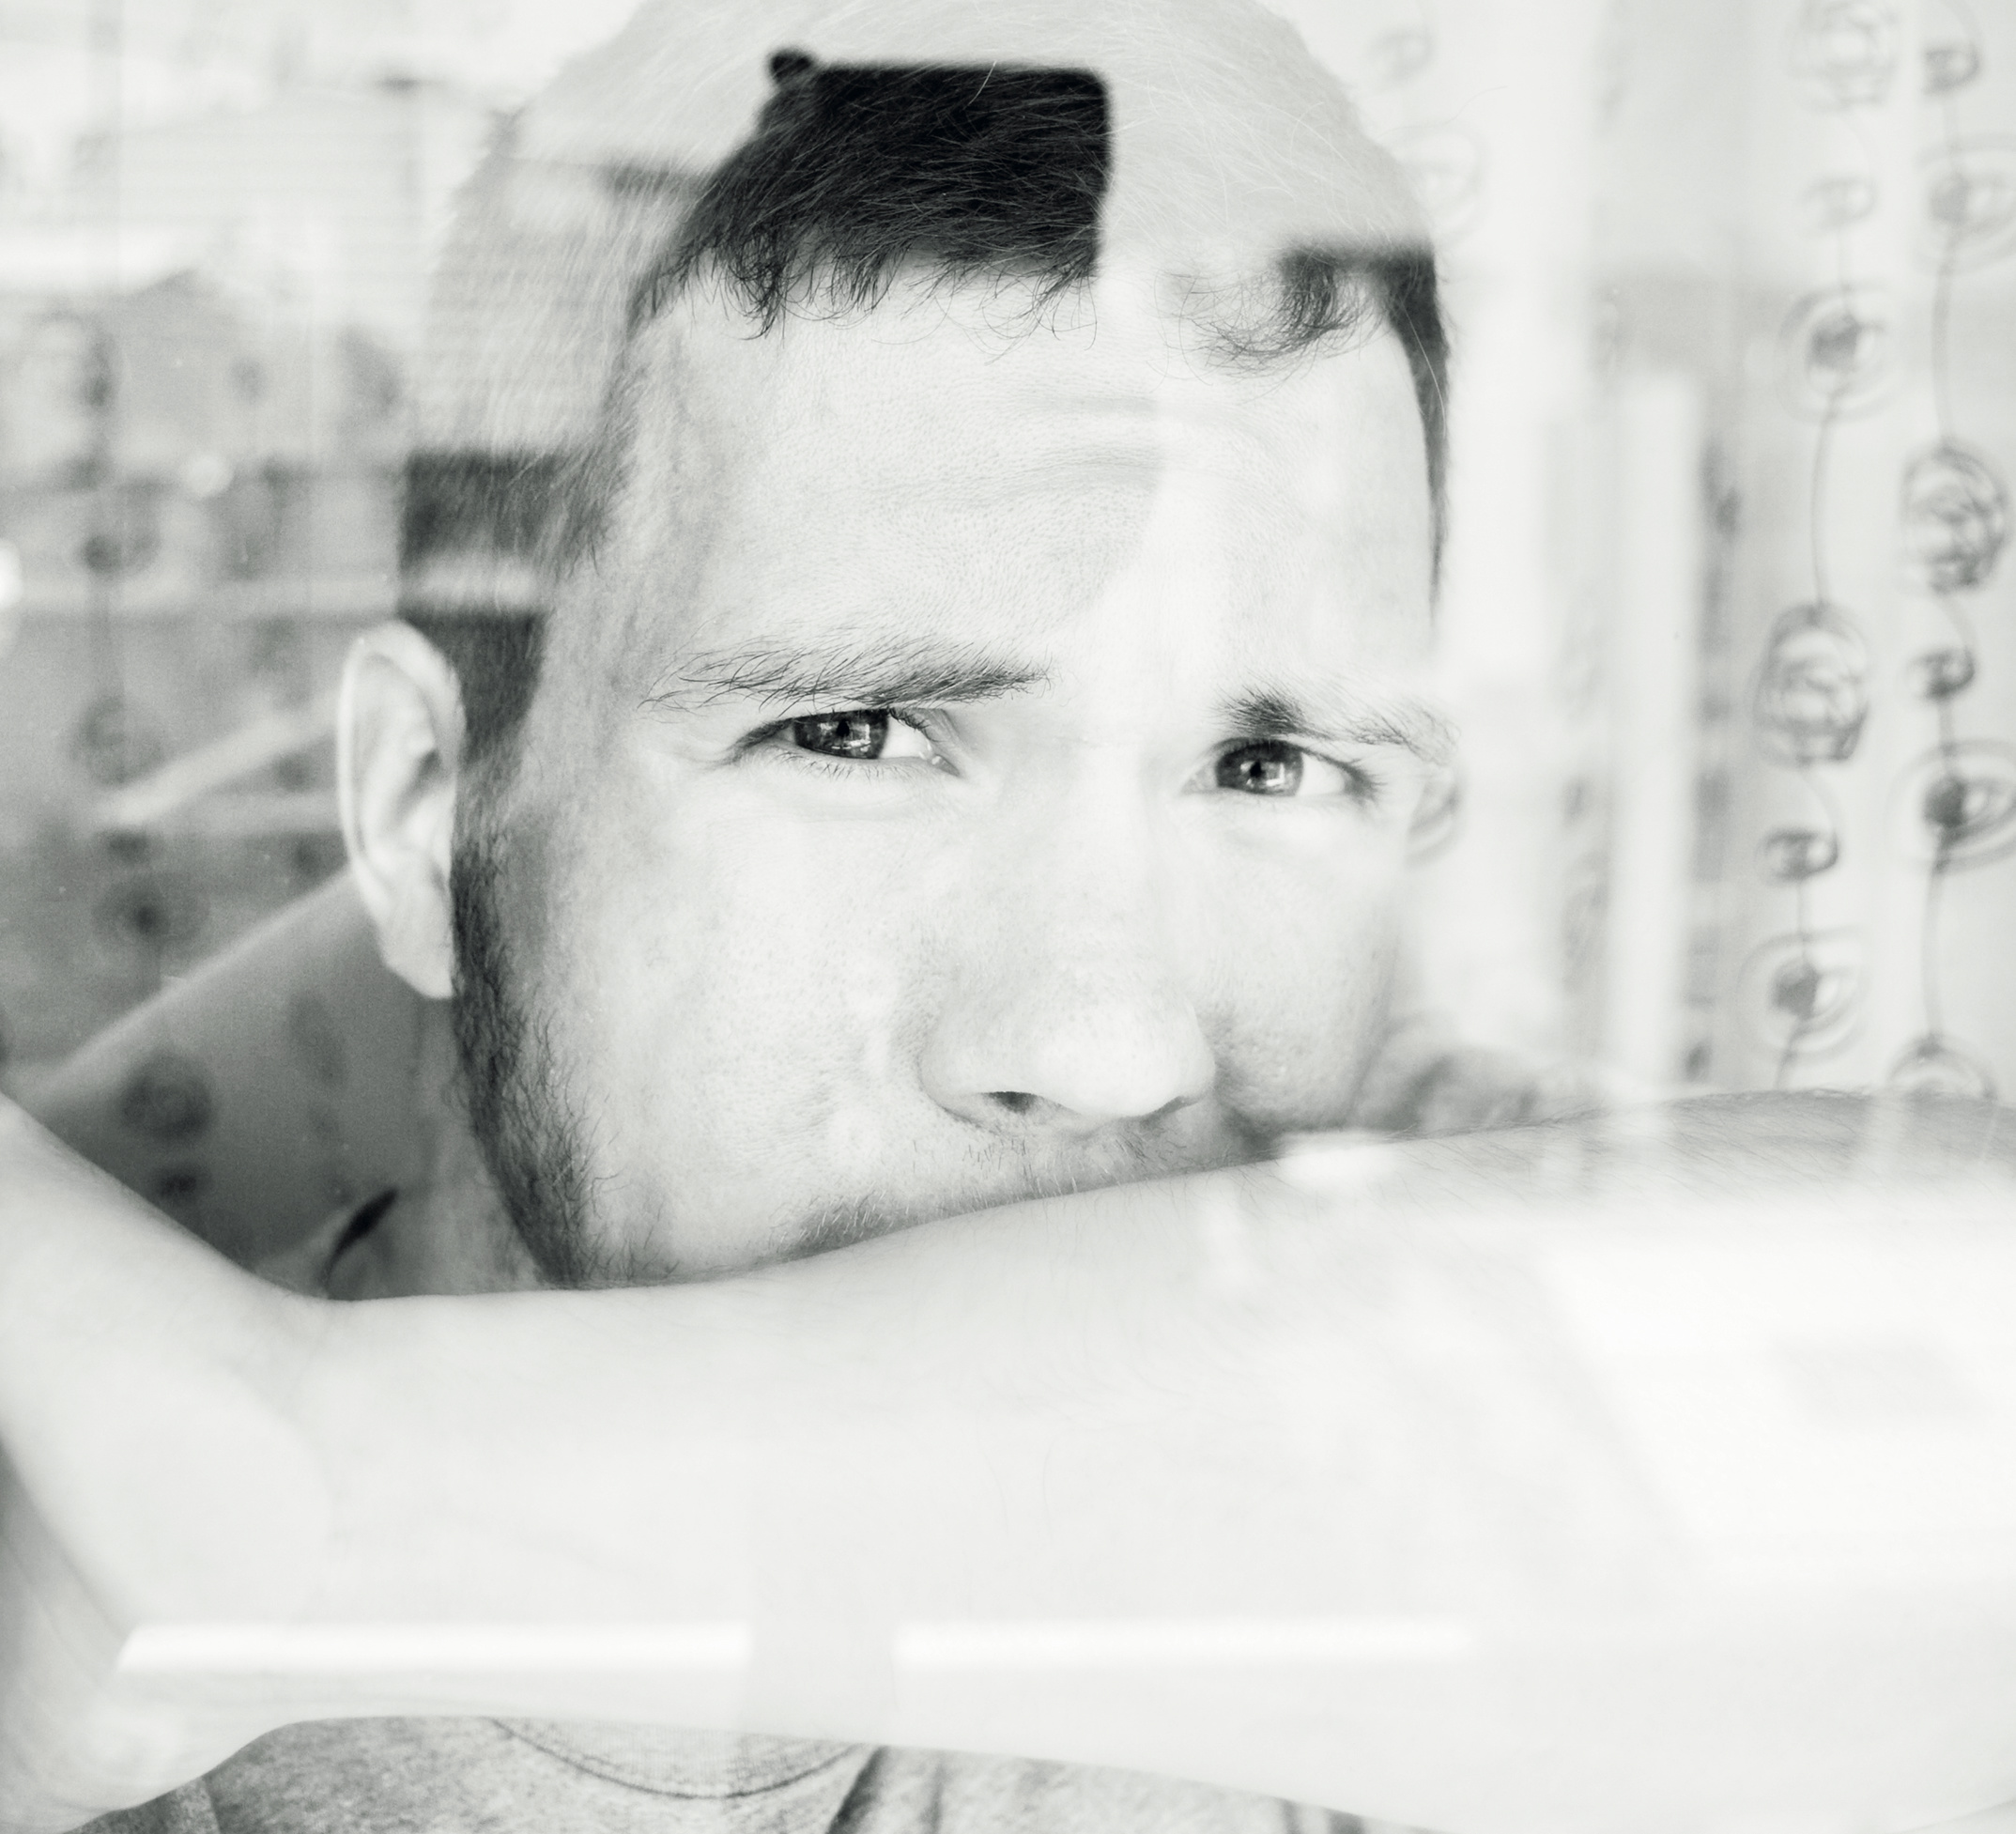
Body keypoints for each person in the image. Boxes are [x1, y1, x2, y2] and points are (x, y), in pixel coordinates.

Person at [7, 2, 2016, 1831]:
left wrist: (301, 1495)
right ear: (414, 812)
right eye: (859, 732)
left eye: (1268, 766)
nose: (1112, 1042)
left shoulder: (1425, 1317)